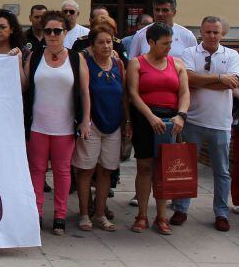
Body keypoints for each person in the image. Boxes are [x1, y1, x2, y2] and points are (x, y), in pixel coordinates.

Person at [23, 10, 90, 236]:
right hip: (38, 126)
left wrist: (85, 121)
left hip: (64, 127)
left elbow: (84, 91)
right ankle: (36, 213)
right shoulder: (34, 57)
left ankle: (60, 215)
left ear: (65, 32)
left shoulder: (75, 58)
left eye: (57, 31)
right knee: (37, 170)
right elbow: (24, 85)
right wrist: (12, 62)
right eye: (48, 31)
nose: (52, 35)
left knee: (62, 172)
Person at [170, 17, 239, 232]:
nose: (212, 36)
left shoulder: (232, 55)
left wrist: (203, 80)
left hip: (221, 122)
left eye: (216, 32)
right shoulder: (189, 53)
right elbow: (188, 79)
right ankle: (181, 208)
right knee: (186, 168)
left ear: (222, 34)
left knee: (222, 171)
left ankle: (221, 212)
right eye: (208, 32)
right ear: (201, 32)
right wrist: (220, 79)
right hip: (194, 119)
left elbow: (233, 83)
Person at [127, 23, 190, 235]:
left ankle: (162, 216)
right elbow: (133, 94)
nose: (168, 48)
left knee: (164, 169)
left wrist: (181, 115)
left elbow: (184, 93)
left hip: (171, 120)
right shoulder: (137, 63)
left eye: (170, 43)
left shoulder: (177, 64)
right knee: (145, 167)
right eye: (164, 44)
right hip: (146, 119)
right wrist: (150, 116)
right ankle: (142, 214)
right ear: (151, 42)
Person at [73, 24, 131, 232]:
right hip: (92, 124)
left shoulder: (118, 64)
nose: (106, 46)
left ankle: (99, 214)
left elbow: (124, 95)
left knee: (106, 170)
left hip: (113, 124)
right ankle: (84, 214)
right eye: (101, 42)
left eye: (109, 41)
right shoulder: (85, 62)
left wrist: (127, 121)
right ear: (92, 45)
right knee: (86, 171)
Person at [128, 0, 197, 59]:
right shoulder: (141, 35)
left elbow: (195, 64)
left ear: (174, 12)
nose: (160, 14)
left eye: (165, 10)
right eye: (157, 10)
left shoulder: (187, 36)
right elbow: (132, 63)